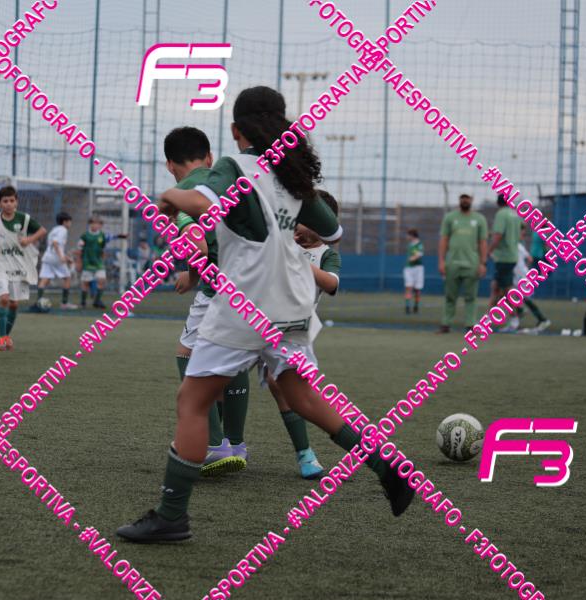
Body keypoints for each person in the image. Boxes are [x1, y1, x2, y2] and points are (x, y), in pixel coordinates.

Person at [117, 86, 414, 543]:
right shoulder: (293, 176)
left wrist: (169, 196)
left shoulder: (234, 167)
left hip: (245, 302)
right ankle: (385, 463)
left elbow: (202, 201)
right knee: (302, 396)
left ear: (236, 129)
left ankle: (171, 517)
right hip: (292, 302)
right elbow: (334, 232)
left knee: (192, 402)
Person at [164, 126, 250, 477]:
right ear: (210, 158)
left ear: (170, 165)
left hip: (219, 291)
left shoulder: (184, 197)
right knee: (236, 359)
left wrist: (194, 266)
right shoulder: (229, 183)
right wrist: (192, 275)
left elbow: (198, 245)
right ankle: (236, 444)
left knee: (187, 353)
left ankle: (214, 445)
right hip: (254, 285)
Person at [265, 189, 341, 480]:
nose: (297, 224)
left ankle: (306, 454)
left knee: (281, 385)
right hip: (256, 319)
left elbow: (331, 284)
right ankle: (226, 444)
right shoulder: (282, 241)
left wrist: (297, 258)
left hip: (292, 330)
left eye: (305, 220)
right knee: (220, 375)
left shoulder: (326, 255)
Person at [0, 185, 46, 350]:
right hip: (0, 263)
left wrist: (29, 240)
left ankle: (7, 336)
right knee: (4, 299)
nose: (9, 204)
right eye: (5, 201)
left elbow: (42, 230)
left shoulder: (24, 219)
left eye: (12, 200)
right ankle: (1, 338)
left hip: (19, 265)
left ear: (16, 202)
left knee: (14, 304)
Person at [437, 194, 488, 333]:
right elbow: (444, 239)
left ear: (472, 199)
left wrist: (483, 263)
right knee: (450, 296)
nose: (465, 200)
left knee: (471, 297)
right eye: (462, 197)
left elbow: (483, 242)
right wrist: (441, 261)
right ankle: (446, 324)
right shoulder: (449, 217)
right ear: (459, 199)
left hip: (472, 265)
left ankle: (470, 325)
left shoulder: (480, 219)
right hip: (452, 264)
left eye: (467, 198)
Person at [505, 224, 550, 333]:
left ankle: (542, 319)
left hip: (522, 277)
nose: (523, 235)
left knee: (516, 297)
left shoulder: (517, 246)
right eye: (522, 233)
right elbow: (529, 258)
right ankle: (521, 313)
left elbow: (529, 258)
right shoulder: (518, 246)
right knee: (509, 295)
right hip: (520, 275)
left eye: (524, 233)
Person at [77, 216, 125, 309]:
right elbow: (79, 250)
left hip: (98, 262)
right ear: (90, 224)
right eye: (93, 223)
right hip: (87, 262)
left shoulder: (102, 235)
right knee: (85, 282)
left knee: (102, 280)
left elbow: (108, 241)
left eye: (98, 224)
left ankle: (97, 301)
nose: (95, 225)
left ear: (100, 225)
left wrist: (121, 236)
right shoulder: (85, 236)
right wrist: (79, 262)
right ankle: (83, 302)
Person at [487, 194, 522, 313]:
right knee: (496, 287)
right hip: (512, 255)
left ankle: (516, 314)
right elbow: (518, 234)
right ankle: (490, 317)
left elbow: (498, 235)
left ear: (498, 203)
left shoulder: (501, 214)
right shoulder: (515, 215)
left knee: (504, 290)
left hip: (503, 257)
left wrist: (488, 251)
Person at [37, 212, 77, 309]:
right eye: (69, 221)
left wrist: (65, 257)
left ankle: (39, 302)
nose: (70, 223)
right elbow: (55, 243)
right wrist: (61, 257)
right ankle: (64, 303)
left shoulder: (54, 229)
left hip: (48, 257)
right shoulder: (63, 230)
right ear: (65, 222)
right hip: (56, 258)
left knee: (44, 279)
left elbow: (54, 244)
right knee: (67, 278)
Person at [403, 228, 424, 315]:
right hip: (409, 268)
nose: (407, 237)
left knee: (417, 289)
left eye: (408, 235)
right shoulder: (410, 245)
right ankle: (407, 307)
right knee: (408, 287)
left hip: (418, 269)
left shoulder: (419, 244)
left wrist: (414, 258)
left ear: (412, 235)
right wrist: (412, 258)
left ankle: (416, 307)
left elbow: (419, 254)